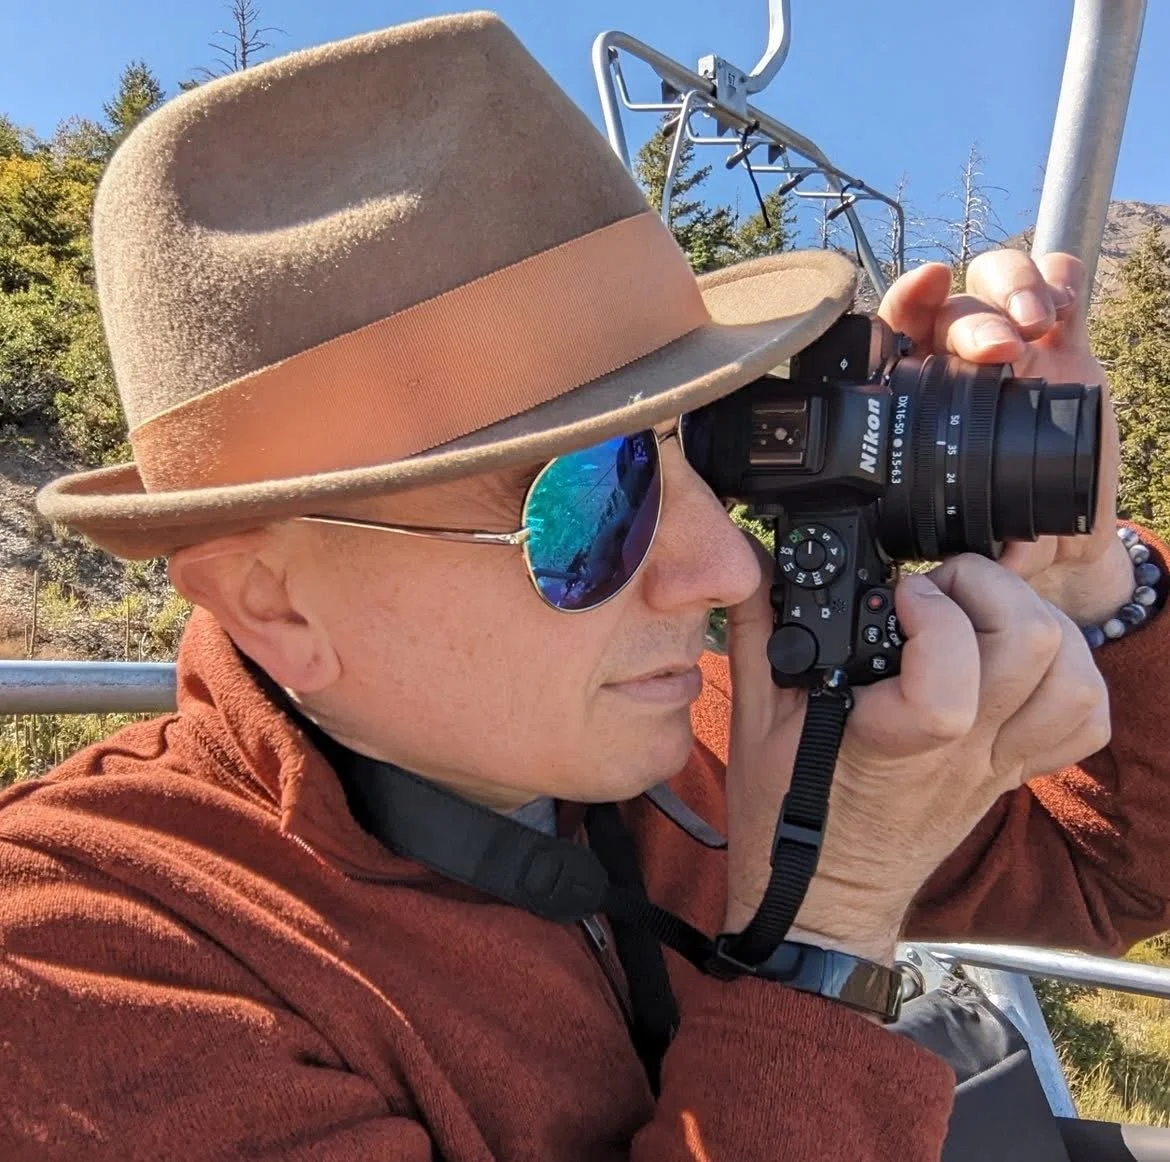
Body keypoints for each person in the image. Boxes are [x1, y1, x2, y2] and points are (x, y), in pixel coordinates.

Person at [1, 12, 1167, 1161]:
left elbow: (1117, 869)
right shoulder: (79, 962)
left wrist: (1092, 582)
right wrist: (824, 933)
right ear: (274, 601)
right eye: (596, 498)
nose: (726, 568)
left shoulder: (698, 742)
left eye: (694, 448)